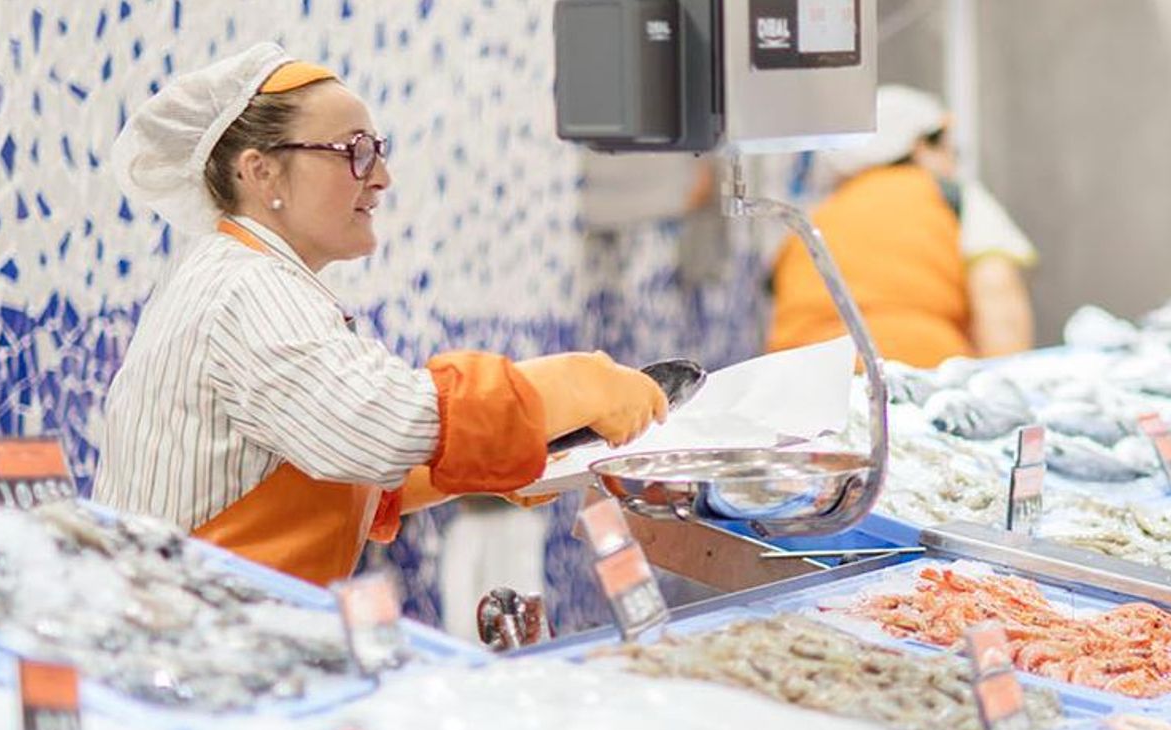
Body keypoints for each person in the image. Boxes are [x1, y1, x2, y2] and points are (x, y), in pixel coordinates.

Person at [92, 44, 667, 586]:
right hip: (182, 639)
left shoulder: (239, 271)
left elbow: (319, 469)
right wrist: (572, 385)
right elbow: (381, 426)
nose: (381, 178)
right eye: (354, 152)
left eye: (378, 151)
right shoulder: (248, 287)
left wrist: (490, 463)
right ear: (259, 171)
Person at [768, 85, 1039, 369]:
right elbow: (998, 297)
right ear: (921, 147)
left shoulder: (814, 218)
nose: (954, 163)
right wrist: (1004, 386)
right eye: (950, 149)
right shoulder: (951, 198)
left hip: (808, 381)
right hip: (916, 374)